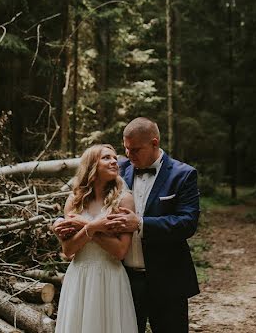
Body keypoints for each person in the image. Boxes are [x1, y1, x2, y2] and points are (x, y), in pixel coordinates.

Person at [55, 117, 200, 333]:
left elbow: (187, 223)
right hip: (123, 279)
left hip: (166, 276)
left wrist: (141, 223)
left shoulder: (183, 174)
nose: (128, 156)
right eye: (126, 149)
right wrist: (58, 221)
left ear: (154, 143)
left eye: (135, 150)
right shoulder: (118, 168)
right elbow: (83, 192)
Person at [53, 143, 138, 333]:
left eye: (115, 158)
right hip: (79, 277)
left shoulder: (124, 200)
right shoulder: (74, 200)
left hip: (110, 277)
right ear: (92, 165)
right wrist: (94, 228)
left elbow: (120, 251)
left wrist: (85, 226)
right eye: (106, 157)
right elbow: (68, 251)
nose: (114, 161)